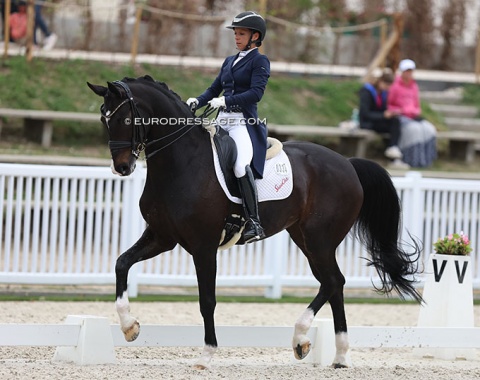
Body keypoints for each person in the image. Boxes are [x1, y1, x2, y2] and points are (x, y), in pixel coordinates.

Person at [186, 11, 270, 243]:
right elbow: (214, 90)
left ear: (255, 36)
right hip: (221, 120)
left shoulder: (259, 61)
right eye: (236, 33)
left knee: (241, 165)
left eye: (241, 33)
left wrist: (227, 101)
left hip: (242, 122)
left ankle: (254, 222)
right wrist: (197, 100)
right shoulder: (229, 61)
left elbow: (256, 94)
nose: (237, 37)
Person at [387, 59, 437, 168]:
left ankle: (426, 160)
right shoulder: (395, 86)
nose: (409, 73)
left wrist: (415, 111)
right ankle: (412, 159)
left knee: (429, 129)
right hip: (401, 117)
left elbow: (416, 105)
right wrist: (400, 111)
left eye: (411, 71)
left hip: (413, 116)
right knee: (415, 130)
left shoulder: (414, 86)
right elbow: (389, 104)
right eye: (407, 71)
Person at [358, 67, 409, 169]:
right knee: (392, 125)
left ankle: (393, 150)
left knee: (395, 121)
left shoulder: (383, 93)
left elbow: (383, 109)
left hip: (378, 120)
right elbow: (365, 113)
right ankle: (393, 153)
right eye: (386, 85)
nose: (388, 88)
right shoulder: (367, 91)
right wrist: (383, 115)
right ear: (380, 81)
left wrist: (390, 113)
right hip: (367, 122)